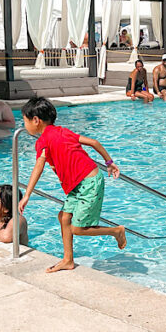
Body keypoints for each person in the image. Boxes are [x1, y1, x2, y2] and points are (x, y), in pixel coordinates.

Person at [18, 96, 126, 272]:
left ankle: (116, 231)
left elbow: (38, 166)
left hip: (89, 182)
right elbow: (94, 143)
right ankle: (68, 259)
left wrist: (27, 195)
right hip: (80, 184)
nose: (24, 125)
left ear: (36, 120)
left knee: (77, 228)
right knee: (64, 217)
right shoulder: (62, 131)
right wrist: (109, 162)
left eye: (25, 120)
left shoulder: (43, 141)